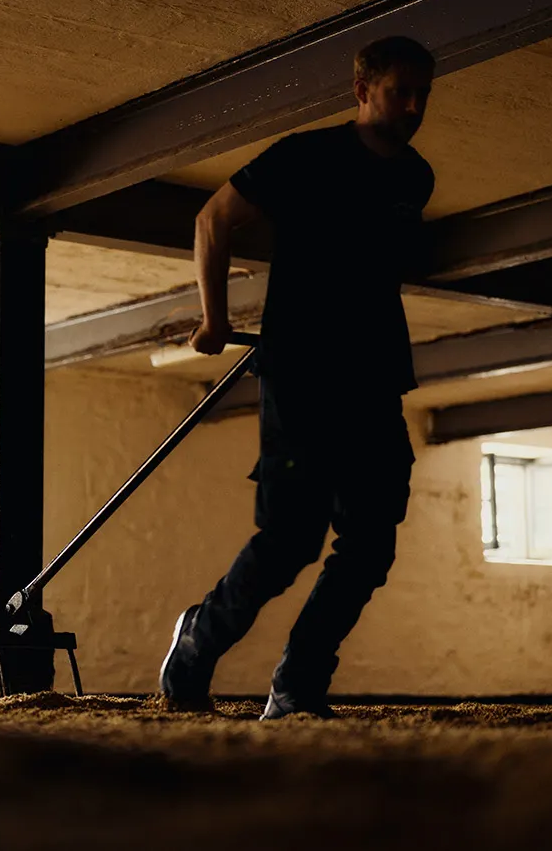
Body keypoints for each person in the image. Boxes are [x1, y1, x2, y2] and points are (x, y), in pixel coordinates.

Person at [160, 35, 436, 720]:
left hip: (375, 379)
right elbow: (213, 218)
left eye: (422, 94)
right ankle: (197, 642)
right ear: (361, 90)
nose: (413, 106)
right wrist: (213, 318)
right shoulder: (305, 157)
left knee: (370, 545)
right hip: (304, 373)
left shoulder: (415, 178)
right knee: (289, 543)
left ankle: (298, 682)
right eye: (400, 91)